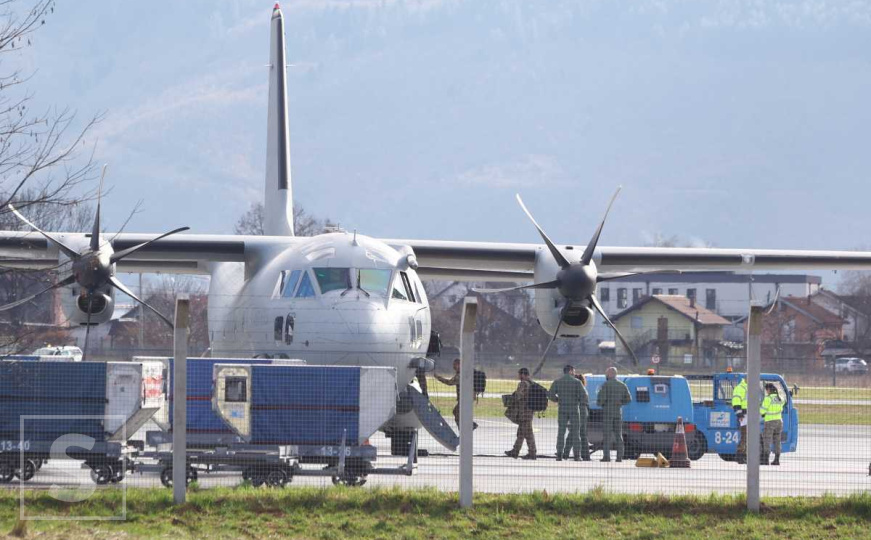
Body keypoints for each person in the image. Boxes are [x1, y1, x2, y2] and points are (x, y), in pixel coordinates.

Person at [548, 365, 590, 461]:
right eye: (573, 371)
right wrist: (578, 400)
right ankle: (577, 455)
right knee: (576, 433)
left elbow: (550, 395)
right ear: (570, 371)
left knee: (561, 432)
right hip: (574, 409)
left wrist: (558, 400)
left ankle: (559, 454)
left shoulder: (557, 381)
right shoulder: (577, 382)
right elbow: (585, 395)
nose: (574, 373)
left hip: (562, 409)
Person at [596, 366, 631, 462]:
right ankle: (619, 457)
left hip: (607, 413)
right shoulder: (622, 385)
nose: (605, 375)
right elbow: (629, 399)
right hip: (618, 413)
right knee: (618, 435)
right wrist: (621, 403)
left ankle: (606, 457)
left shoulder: (606, 385)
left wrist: (600, 404)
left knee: (607, 435)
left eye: (606, 373)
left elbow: (601, 399)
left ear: (609, 374)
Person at [434, 358, 477, 430]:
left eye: (455, 365)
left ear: (460, 365)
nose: (454, 367)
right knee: (457, 413)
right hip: (466, 398)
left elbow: (449, 382)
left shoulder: (460, 375)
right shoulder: (463, 373)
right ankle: (466, 427)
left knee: (457, 413)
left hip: (465, 398)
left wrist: (438, 377)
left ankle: (467, 427)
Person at [505, 368, 536, 460]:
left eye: (519, 374)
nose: (518, 376)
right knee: (522, 433)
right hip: (529, 411)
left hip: (524, 412)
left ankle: (532, 453)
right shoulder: (531, 383)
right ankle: (515, 451)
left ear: (522, 374)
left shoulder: (523, 384)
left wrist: (511, 399)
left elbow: (518, 396)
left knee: (528, 434)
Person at [761, 383, 784, 466]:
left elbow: (762, 410)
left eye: (766, 390)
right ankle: (777, 460)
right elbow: (782, 405)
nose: (766, 391)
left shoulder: (768, 399)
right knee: (777, 440)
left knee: (767, 440)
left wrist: (762, 413)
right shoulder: (780, 398)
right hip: (779, 421)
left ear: (769, 390)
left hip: (770, 422)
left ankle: (765, 460)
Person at [732, 376, 749, 464]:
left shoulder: (749, 387)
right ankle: (740, 455)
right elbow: (736, 401)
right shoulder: (740, 388)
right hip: (744, 416)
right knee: (745, 435)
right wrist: (739, 414)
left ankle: (743, 455)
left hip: (750, 415)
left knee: (747, 436)